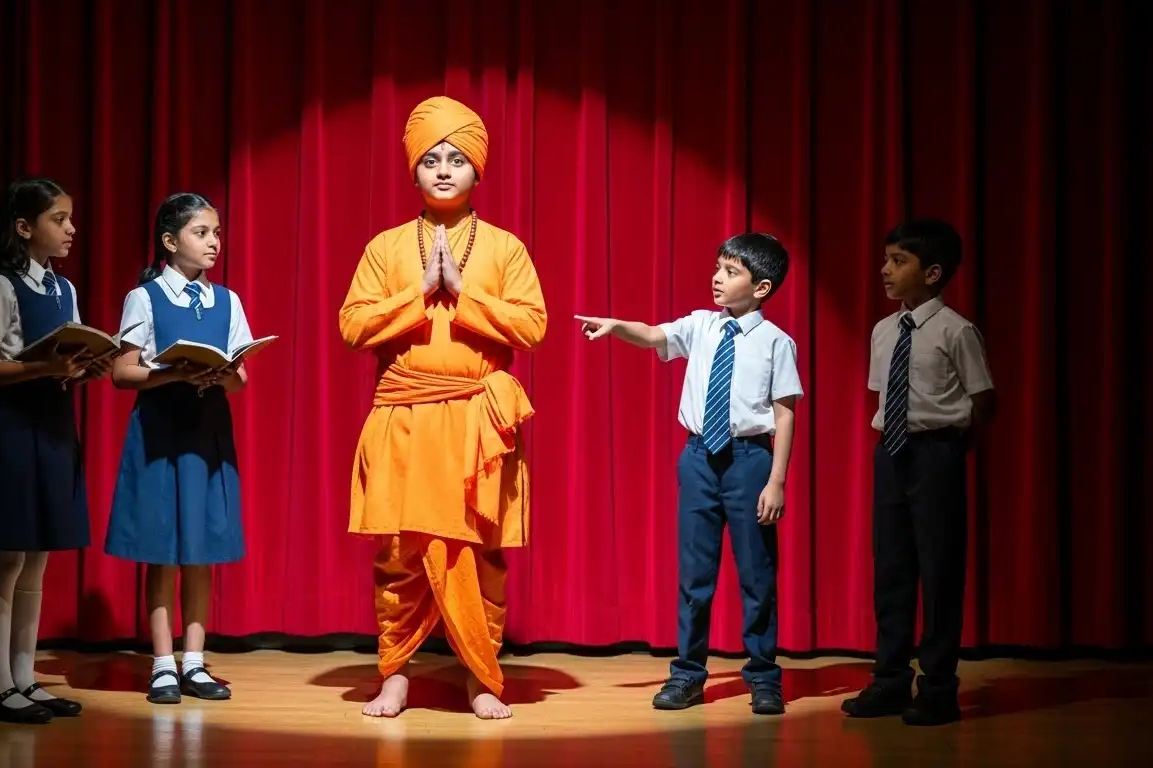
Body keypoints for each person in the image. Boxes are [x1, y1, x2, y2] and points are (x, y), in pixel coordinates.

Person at [338, 95, 547, 720]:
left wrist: (465, 291)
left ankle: (481, 675)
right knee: (399, 552)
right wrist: (419, 291)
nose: (445, 169)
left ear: (478, 170)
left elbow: (533, 326)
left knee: (480, 553)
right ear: (414, 171)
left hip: (477, 422)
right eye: (431, 159)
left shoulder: (505, 248)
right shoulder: (386, 247)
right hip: (404, 416)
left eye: (457, 158)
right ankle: (395, 672)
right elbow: (352, 326)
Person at [575, 233, 802, 716]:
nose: (717, 278)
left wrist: (776, 479)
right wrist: (617, 327)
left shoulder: (776, 343)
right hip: (699, 458)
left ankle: (764, 676)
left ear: (761, 287)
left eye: (731, 271)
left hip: (749, 460)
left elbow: (784, 413)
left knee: (756, 575)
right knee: (695, 574)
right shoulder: (702, 326)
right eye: (717, 267)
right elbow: (655, 335)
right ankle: (687, 675)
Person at [0, 177, 111, 723]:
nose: (70, 229)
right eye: (58, 220)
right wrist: (45, 367)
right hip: (13, 429)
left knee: (38, 559)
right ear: (25, 228)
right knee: (7, 557)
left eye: (70, 219)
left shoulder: (64, 291)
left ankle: (25, 677)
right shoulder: (0, 286)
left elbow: (58, 364)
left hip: (54, 426)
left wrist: (84, 368)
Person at [841, 219, 995, 726]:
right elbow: (883, 396)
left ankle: (938, 688)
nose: (885, 270)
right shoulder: (884, 330)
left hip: (936, 455)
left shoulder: (957, 330)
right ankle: (889, 681)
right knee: (892, 570)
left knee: (940, 571)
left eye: (898, 261)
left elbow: (982, 401)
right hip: (891, 453)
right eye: (885, 260)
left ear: (932, 273)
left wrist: (948, 451)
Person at [104, 192, 253, 705]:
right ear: (170, 242)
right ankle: (163, 663)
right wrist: (173, 372)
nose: (214, 242)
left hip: (206, 431)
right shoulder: (145, 297)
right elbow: (122, 371)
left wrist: (221, 373)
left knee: (201, 550)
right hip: (162, 432)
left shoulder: (227, 300)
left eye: (216, 232)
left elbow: (241, 380)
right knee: (163, 549)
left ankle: (195, 660)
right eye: (201, 233)